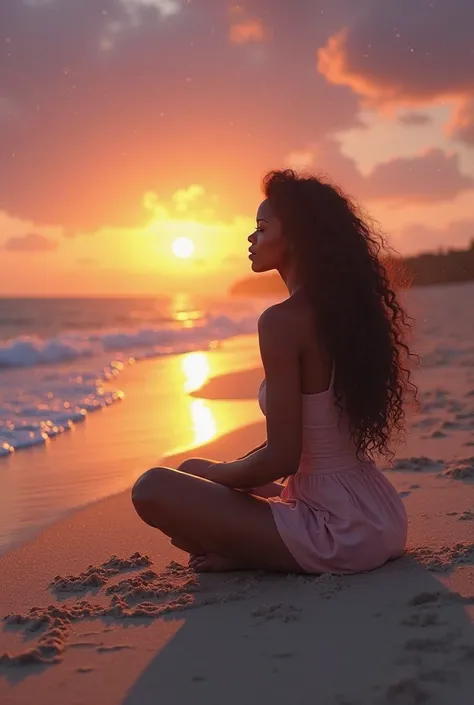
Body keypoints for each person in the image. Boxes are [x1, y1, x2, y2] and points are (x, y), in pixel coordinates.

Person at [132, 169, 415, 574]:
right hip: (378, 512)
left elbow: (281, 457)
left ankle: (249, 554)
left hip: (338, 531)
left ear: (297, 237)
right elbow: (299, 448)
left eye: (262, 229)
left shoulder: (283, 321)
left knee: (152, 488)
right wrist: (220, 475)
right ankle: (248, 546)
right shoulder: (346, 314)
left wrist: (220, 474)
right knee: (190, 471)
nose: (251, 239)